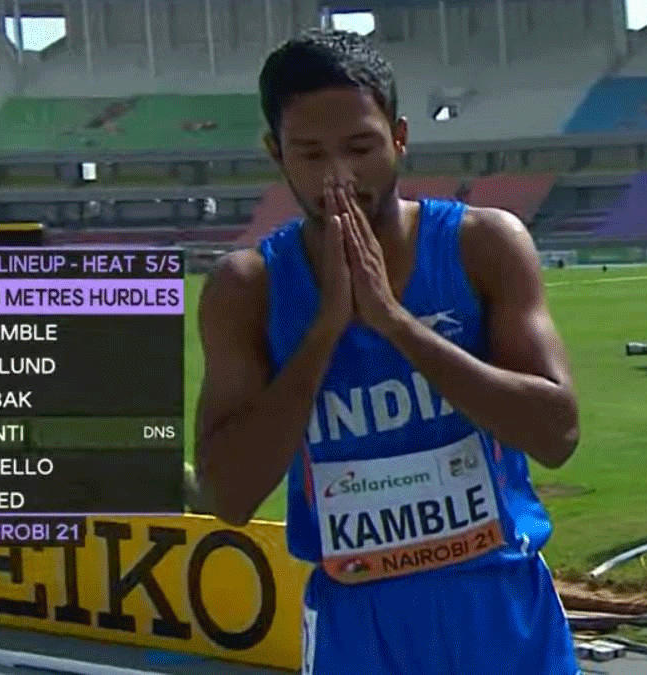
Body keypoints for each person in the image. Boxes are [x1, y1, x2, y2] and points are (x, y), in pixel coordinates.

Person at [195, 28, 581, 675]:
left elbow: (557, 432)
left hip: (499, 605)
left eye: (360, 147)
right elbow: (227, 496)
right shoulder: (247, 288)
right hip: (359, 621)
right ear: (275, 153)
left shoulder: (482, 244)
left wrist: (399, 325)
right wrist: (322, 335)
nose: (338, 175)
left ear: (399, 137)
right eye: (310, 153)